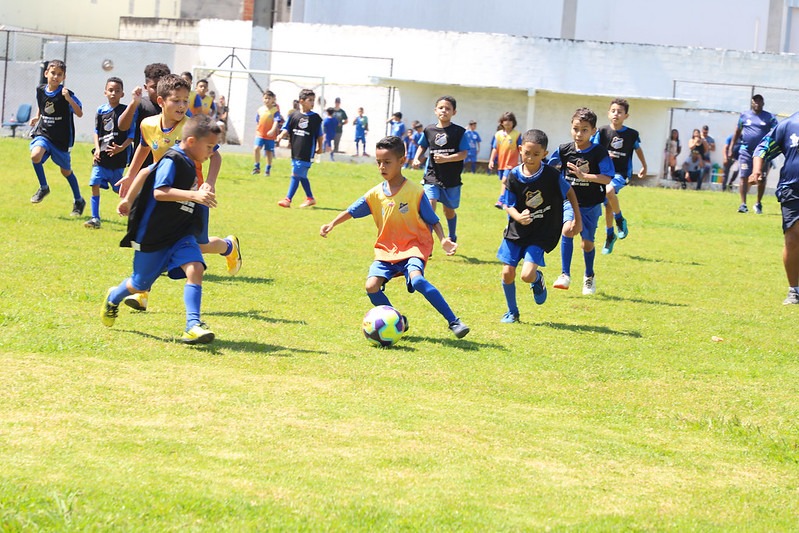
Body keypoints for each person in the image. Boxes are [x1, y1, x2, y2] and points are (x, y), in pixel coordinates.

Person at [319, 135, 470, 338]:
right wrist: (332, 223)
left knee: (418, 281)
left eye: (387, 162)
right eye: (378, 162)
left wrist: (443, 239)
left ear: (401, 161)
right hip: (386, 250)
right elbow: (352, 211)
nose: (382, 167)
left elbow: (433, 220)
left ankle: (454, 321)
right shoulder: (375, 194)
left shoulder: (415, 192)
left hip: (414, 247)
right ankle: (398, 320)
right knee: (371, 286)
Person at [116, 74, 241, 311]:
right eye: (177, 100)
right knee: (152, 241)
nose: (182, 106)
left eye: (186, 100)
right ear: (161, 101)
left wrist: (209, 183)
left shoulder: (193, 128)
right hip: (161, 196)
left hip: (193, 199)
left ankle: (227, 246)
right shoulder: (148, 124)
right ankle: (141, 293)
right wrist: (131, 175)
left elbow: (216, 156)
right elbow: (144, 148)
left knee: (197, 246)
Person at [102, 115, 221, 344]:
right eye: (209, 147)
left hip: (181, 232)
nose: (211, 153)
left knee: (196, 268)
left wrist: (203, 189)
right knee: (140, 284)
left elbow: (146, 172)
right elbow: (159, 191)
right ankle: (113, 297)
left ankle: (193, 325)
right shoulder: (173, 160)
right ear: (191, 141)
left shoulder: (191, 161)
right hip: (154, 235)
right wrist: (128, 200)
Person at [497, 129, 582, 323]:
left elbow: (570, 192)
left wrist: (577, 219)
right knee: (507, 272)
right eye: (527, 153)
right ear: (520, 149)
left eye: (536, 154)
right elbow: (507, 204)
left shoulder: (551, 175)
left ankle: (537, 279)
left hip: (541, 233)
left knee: (527, 275)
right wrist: (518, 217)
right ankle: (512, 312)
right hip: (516, 231)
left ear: (545, 154)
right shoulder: (513, 175)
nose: (530, 158)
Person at [547, 107, 614, 295]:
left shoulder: (599, 152)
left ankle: (589, 276)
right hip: (569, 201)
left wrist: (584, 176)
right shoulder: (564, 150)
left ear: (593, 131)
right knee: (567, 229)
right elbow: (549, 169)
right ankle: (564, 275)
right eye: (576, 129)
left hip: (591, 204)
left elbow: (607, 178)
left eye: (584, 130)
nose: (579, 134)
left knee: (587, 244)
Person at [28, 59, 86, 217]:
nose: (55, 76)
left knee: (66, 171)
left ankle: (78, 200)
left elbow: (80, 113)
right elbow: (42, 105)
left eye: (59, 74)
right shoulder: (40, 89)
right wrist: (37, 117)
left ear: (64, 77)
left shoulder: (66, 94)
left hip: (61, 139)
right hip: (44, 133)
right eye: (53, 73)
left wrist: (69, 99)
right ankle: (43, 187)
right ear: (46, 73)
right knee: (35, 155)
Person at [752, 111, 799, 304]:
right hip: (792, 188)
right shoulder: (789, 124)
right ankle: (794, 290)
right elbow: (762, 147)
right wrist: (757, 170)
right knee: (793, 238)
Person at [592, 98, 648, 255]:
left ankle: (620, 219)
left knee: (609, 191)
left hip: (621, 173)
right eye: (613, 111)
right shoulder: (602, 132)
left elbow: (638, 149)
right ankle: (610, 235)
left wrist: (644, 165)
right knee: (608, 203)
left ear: (626, 116)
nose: (616, 114)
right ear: (608, 113)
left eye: (620, 112)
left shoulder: (631, 134)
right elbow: (593, 148)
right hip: (604, 173)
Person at [412, 95, 469, 244]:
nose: (444, 111)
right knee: (430, 204)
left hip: (451, 178)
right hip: (432, 175)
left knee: (448, 211)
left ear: (454, 112)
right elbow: (422, 146)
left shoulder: (459, 132)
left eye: (448, 108)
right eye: (441, 108)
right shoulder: (429, 130)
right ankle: (427, 240)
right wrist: (417, 158)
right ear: (435, 110)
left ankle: (452, 235)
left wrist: (446, 159)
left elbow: (463, 153)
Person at [85, 76, 134, 229]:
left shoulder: (125, 111)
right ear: (105, 92)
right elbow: (96, 131)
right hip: (102, 157)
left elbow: (131, 135)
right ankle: (95, 218)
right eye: (111, 90)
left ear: (122, 94)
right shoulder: (101, 111)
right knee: (94, 183)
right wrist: (97, 148)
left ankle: (136, 214)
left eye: (117, 91)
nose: (113, 93)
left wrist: (121, 147)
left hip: (118, 159)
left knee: (119, 189)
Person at [729, 94, 778, 214]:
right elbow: (737, 132)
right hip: (745, 151)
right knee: (743, 176)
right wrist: (731, 147)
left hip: (762, 152)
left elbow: (777, 130)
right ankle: (743, 204)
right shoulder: (744, 116)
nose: (757, 103)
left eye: (759, 101)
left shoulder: (769, 117)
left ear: (763, 103)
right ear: (751, 102)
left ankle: (758, 203)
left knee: (761, 178)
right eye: (755, 101)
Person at [275, 88, 324, 208]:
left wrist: (320, 147)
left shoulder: (315, 118)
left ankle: (288, 199)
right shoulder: (294, 115)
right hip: (296, 151)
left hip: (307, 152)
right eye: (310, 100)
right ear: (301, 101)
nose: (312, 102)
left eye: (313, 100)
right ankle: (310, 198)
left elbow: (320, 135)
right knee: (301, 175)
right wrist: (280, 136)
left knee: (295, 173)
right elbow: (286, 128)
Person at [117, 63, 171, 169]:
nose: (159, 91)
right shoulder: (141, 104)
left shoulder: (175, 106)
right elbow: (122, 126)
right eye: (154, 87)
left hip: (168, 166)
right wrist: (133, 103)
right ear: (146, 87)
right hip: (142, 165)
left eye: (163, 87)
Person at [488, 112, 522, 208]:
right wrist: (491, 160)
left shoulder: (517, 135)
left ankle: (501, 200)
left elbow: (520, 149)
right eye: (505, 120)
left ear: (513, 122)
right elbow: (495, 148)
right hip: (501, 164)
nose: (508, 122)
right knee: (506, 183)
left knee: (504, 180)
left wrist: (523, 161)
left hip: (512, 164)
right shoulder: (498, 135)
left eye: (510, 120)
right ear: (502, 122)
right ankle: (509, 200)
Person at [252, 90, 282, 175]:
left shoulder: (274, 110)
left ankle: (268, 169)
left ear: (273, 99)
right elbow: (258, 121)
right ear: (263, 99)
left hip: (270, 136)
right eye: (265, 98)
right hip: (260, 134)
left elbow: (276, 121)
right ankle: (256, 167)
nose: (267, 100)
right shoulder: (260, 110)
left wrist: (272, 130)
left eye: (269, 98)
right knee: (256, 148)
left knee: (269, 151)